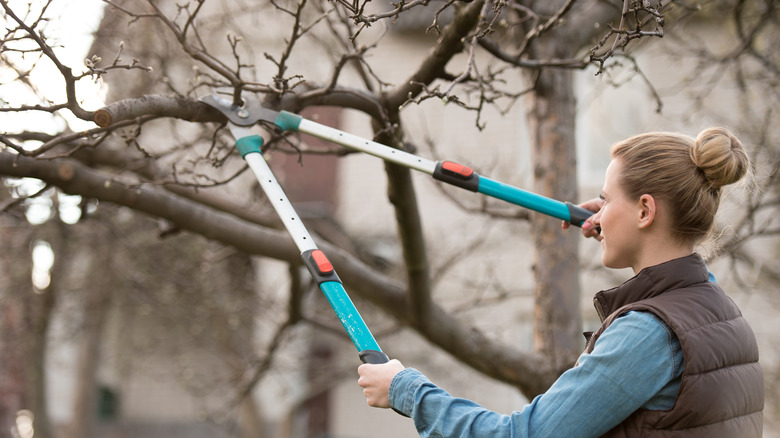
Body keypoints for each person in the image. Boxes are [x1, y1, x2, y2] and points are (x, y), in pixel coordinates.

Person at [357, 127, 764, 437]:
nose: (598, 211)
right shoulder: (722, 315)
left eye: (605, 199)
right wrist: (611, 220)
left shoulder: (647, 333)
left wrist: (405, 391)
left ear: (645, 211)